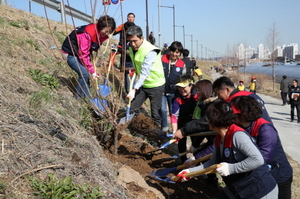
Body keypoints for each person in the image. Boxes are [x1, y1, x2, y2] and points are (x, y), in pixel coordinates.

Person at [177, 100, 278, 199]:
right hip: (238, 186)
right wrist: (191, 172)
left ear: (215, 120)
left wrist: (230, 169)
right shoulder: (219, 138)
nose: (206, 120)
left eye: (208, 118)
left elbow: (258, 160)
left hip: (259, 190)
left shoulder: (238, 135)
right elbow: (213, 162)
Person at [230, 96, 293, 199]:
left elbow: (263, 159)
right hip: (261, 177)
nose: (231, 117)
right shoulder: (240, 127)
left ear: (244, 114)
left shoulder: (265, 129)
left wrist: (233, 167)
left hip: (279, 176)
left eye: (234, 114)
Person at [61, 15, 116, 99]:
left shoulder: (99, 33)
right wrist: (92, 70)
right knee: (84, 74)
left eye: (109, 32)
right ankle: (78, 98)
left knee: (88, 74)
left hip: (79, 55)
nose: (107, 33)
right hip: (70, 54)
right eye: (106, 31)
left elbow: (93, 45)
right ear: (101, 26)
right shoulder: (86, 33)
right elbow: (83, 54)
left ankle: (86, 97)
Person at [126, 25, 165, 127]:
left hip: (156, 85)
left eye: (135, 41)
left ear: (142, 38)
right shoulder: (131, 47)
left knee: (155, 113)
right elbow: (137, 62)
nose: (133, 44)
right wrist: (134, 70)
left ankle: (157, 138)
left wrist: (134, 89)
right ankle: (140, 129)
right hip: (143, 84)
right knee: (133, 107)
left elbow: (145, 73)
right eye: (130, 41)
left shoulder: (150, 51)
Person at [170, 75, 202, 162]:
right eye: (179, 87)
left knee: (196, 144)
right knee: (181, 143)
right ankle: (183, 161)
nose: (181, 90)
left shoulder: (198, 95)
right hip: (183, 122)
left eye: (184, 87)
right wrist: (174, 131)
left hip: (196, 123)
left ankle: (197, 162)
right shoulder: (177, 98)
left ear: (191, 85)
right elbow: (174, 116)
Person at [160, 41, 185, 131]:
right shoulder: (162, 59)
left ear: (180, 53)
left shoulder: (182, 64)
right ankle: (164, 128)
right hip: (162, 90)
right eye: (173, 51)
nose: (174, 54)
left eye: (177, 52)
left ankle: (175, 130)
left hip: (174, 93)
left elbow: (183, 80)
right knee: (162, 110)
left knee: (173, 112)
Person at [113, 13, 136, 94]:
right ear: (127, 18)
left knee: (131, 78)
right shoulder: (122, 26)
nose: (130, 18)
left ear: (134, 19)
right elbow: (114, 32)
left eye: (132, 17)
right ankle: (110, 66)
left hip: (131, 54)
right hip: (122, 49)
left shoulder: (135, 29)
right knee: (112, 52)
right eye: (129, 17)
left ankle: (132, 94)